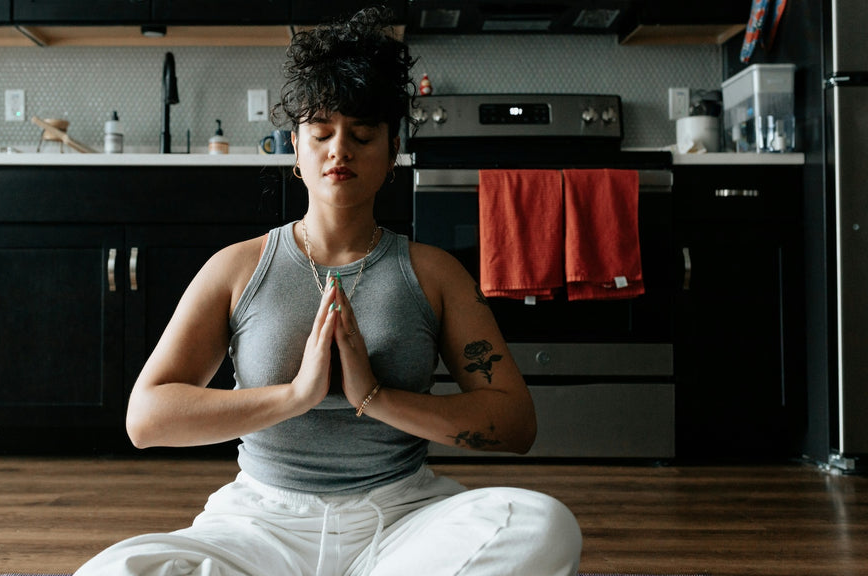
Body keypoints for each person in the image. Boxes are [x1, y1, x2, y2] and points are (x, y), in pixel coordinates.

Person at [75, 7, 580, 576]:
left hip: (402, 517)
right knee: (115, 572)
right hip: (261, 521)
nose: (340, 150)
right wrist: (296, 395)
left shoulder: (434, 273)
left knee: (542, 524)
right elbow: (145, 419)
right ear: (296, 148)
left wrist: (374, 396)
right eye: (321, 133)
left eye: (363, 135)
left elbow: (516, 425)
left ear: (391, 155)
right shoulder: (237, 268)